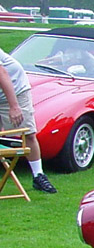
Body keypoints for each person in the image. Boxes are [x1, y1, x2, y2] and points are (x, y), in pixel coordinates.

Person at [0, 46, 57, 193]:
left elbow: (3, 75)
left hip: (15, 90)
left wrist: (14, 106)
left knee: (28, 134)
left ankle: (38, 176)